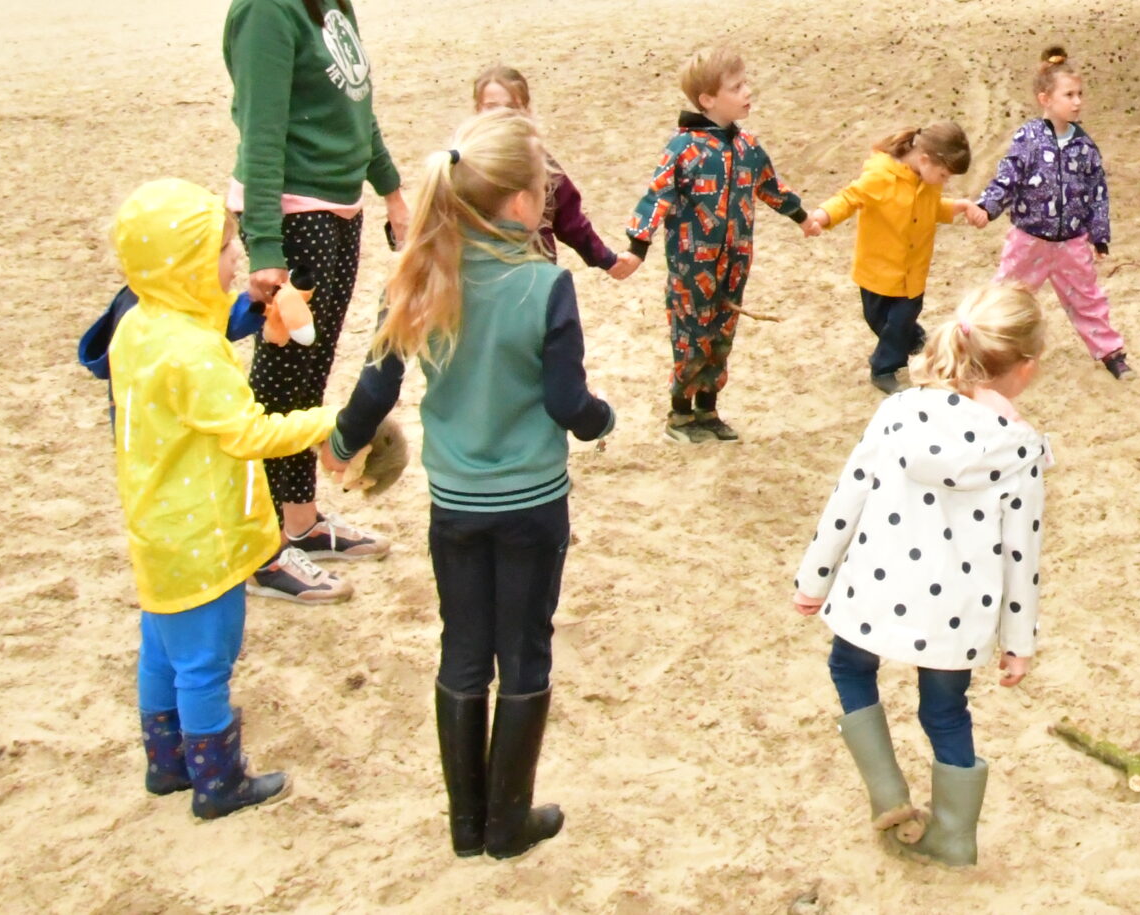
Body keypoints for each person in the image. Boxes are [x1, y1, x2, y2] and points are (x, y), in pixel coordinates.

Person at [323, 112, 616, 858]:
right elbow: (565, 402)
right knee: (524, 653)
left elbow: (373, 389)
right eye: (543, 181)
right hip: (530, 503)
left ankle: (466, 825)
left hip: (454, 502)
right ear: (521, 203)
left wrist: (340, 445)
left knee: (462, 649)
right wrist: (598, 418)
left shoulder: (422, 276)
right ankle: (506, 823)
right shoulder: (545, 285)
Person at [793, 282, 1051, 868]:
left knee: (848, 666)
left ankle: (887, 793)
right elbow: (1021, 554)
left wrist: (814, 578)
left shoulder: (897, 412)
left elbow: (847, 498)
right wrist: (1018, 643)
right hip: (957, 614)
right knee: (944, 712)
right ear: (1026, 368)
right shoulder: (1022, 450)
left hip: (874, 590)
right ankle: (955, 837)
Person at [103, 178, 334, 817]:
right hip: (203, 534)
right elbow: (250, 433)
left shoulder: (139, 326)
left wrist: (250, 306)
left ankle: (167, 765)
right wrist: (325, 424)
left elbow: (198, 323)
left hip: (156, 529)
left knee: (161, 648)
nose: (236, 260)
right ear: (184, 267)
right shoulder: (193, 354)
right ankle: (219, 783)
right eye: (224, 250)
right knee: (208, 661)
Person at [224, 0, 411, 601]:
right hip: (295, 222)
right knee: (278, 384)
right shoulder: (267, 4)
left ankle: (301, 521)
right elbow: (260, 134)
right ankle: (266, 545)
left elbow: (356, 108)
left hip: (339, 214)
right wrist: (263, 249)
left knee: (309, 377)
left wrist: (392, 190)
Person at [626, 43, 820, 444]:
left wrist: (801, 217)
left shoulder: (747, 146)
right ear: (708, 100)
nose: (747, 92)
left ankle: (708, 410)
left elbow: (770, 186)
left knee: (722, 334)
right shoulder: (683, 149)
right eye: (736, 87)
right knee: (691, 335)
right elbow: (655, 196)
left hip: (735, 262)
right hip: (691, 267)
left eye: (745, 83)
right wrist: (637, 246)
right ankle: (680, 415)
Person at [978, 47, 1130, 380]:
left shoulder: (1085, 145)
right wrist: (986, 208)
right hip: (1028, 240)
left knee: (1088, 300)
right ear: (1045, 98)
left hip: (1071, 243)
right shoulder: (1028, 138)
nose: (1076, 102)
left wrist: (1099, 236)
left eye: (1080, 94)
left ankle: (1110, 352)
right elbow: (1008, 175)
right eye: (1069, 95)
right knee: (1005, 297)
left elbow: (1097, 193)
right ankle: (985, 348)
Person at [816, 123, 988, 393]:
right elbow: (849, 199)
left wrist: (962, 206)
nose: (945, 182)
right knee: (878, 320)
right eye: (944, 175)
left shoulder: (927, 182)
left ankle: (883, 367)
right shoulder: (880, 177)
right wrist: (822, 217)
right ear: (924, 159)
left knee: (899, 322)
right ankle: (922, 343)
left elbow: (932, 208)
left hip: (912, 273)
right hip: (877, 270)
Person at [470, 65, 643, 282]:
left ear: (527, 111)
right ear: (477, 110)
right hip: (484, 278)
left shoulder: (540, 164)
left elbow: (570, 219)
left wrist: (606, 259)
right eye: (492, 107)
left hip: (535, 274)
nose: (503, 115)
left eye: (513, 107)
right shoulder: (465, 167)